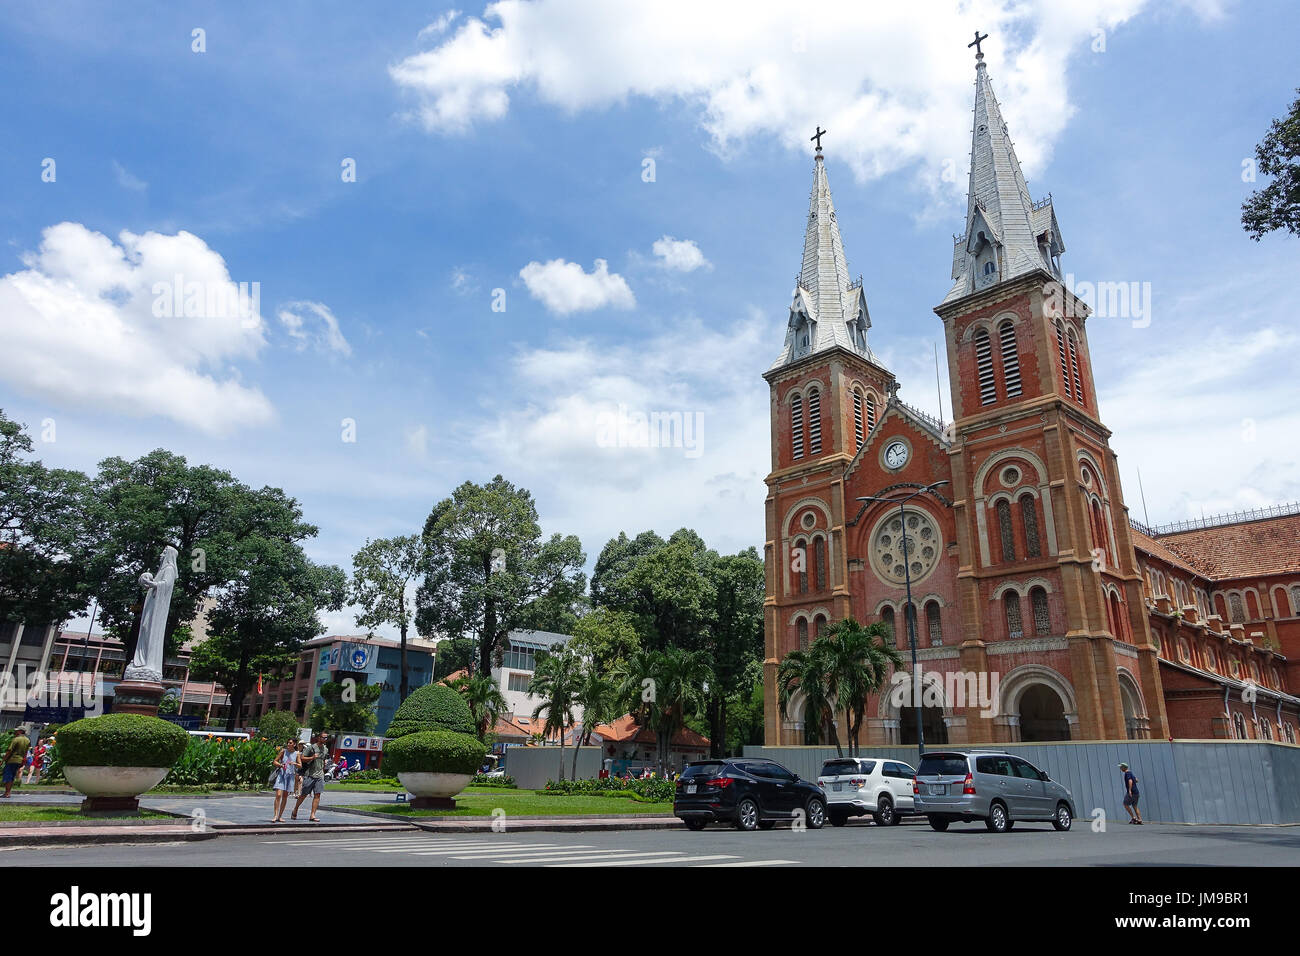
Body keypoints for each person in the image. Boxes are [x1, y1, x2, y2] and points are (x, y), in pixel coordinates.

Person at [293, 732, 330, 822]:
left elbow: (324, 759)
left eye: (326, 738)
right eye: (323, 737)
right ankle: (295, 809)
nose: (325, 739)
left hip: (320, 775)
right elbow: (302, 758)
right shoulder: (311, 747)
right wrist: (312, 758)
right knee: (303, 795)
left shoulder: (325, 749)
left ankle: (312, 815)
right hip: (310, 775)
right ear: (319, 738)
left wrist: (324, 766)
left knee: (317, 795)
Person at [271, 739, 300, 822]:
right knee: (278, 795)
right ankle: (275, 815)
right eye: (288, 742)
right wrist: (280, 765)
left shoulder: (297, 753)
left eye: (290, 743)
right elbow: (275, 761)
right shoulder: (283, 751)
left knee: (285, 796)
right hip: (282, 775)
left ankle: (280, 816)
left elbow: (300, 765)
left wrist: (294, 764)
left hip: (290, 776)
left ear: (294, 744)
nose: (288, 744)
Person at [2, 727, 30, 798]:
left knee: (8, 775)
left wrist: (2, 760)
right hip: (19, 760)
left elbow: (9, 750)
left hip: (12, 760)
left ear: (20, 731)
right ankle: (8, 792)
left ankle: (7, 793)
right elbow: (26, 752)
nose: (15, 732)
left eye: (17, 731)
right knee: (12, 776)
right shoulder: (27, 740)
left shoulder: (16, 739)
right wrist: (23, 760)